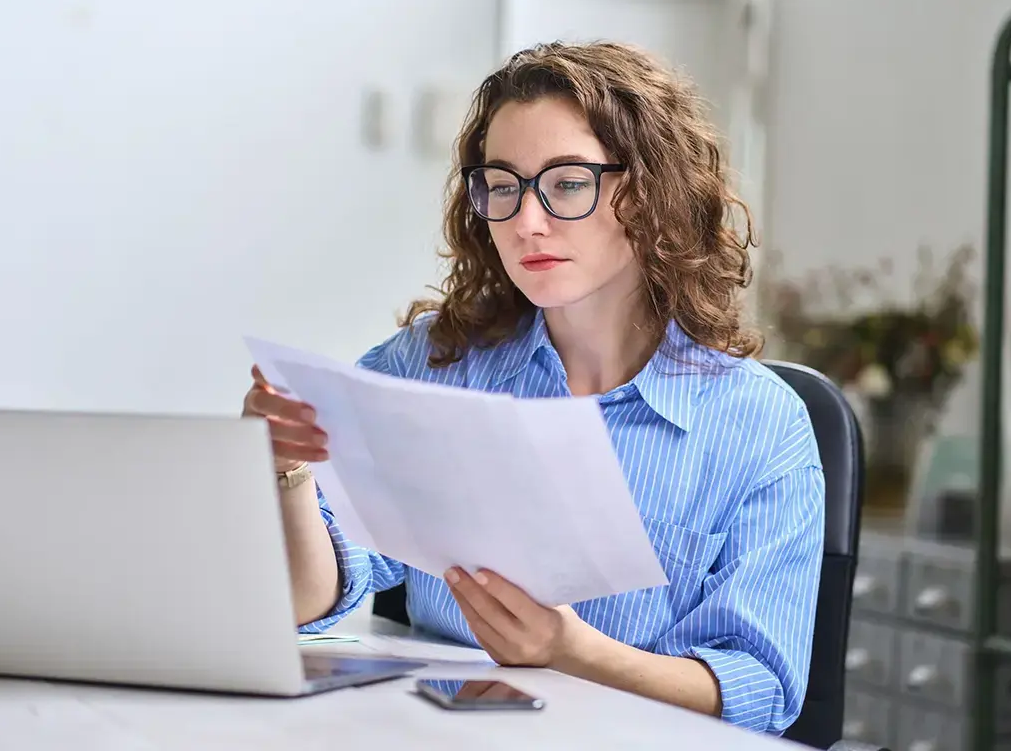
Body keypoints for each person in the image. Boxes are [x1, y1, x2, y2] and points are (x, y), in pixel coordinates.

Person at [243, 41, 824, 735]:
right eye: (503, 184)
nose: (526, 220)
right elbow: (313, 601)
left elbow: (762, 688)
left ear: (648, 193)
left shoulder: (761, 423)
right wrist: (289, 473)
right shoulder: (429, 365)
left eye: (568, 182)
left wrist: (573, 654)